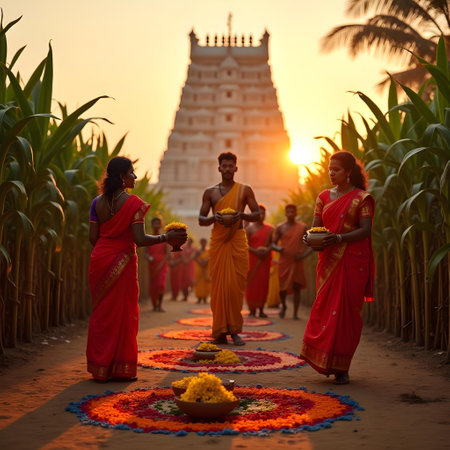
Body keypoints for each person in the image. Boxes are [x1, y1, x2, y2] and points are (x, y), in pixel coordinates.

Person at [87, 156, 187, 382]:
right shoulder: (133, 204)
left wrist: (106, 250)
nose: (135, 177)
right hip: (122, 261)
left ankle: (100, 367)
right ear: (122, 177)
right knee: (123, 313)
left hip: (100, 260)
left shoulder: (97, 203)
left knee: (102, 314)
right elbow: (140, 239)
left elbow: (93, 237)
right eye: (132, 173)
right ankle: (120, 368)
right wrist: (166, 237)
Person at [300, 151, 375, 385]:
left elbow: (365, 230)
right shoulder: (323, 197)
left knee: (347, 315)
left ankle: (342, 368)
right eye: (330, 169)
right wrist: (308, 239)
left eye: (337, 169)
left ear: (349, 172)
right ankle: (325, 361)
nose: (331, 173)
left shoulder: (362, 198)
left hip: (353, 261)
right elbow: (315, 229)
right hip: (328, 261)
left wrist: (339, 238)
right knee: (325, 310)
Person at [198, 152, 260, 345]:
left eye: (230, 166)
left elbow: (257, 213)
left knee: (235, 288)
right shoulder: (210, 192)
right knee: (218, 287)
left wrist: (240, 215)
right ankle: (219, 332)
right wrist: (214, 218)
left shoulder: (245, 190)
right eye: (224, 166)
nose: (227, 169)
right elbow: (201, 220)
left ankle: (234, 331)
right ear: (219, 168)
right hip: (218, 242)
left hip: (237, 241)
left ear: (236, 168)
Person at [272, 204, 311, 320]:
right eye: (288, 211)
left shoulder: (303, 227)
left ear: (296, 213)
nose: (290, 213)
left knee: (297, 286)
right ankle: (283, 306)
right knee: (282, 288)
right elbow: (273, 244)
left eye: (292, 211)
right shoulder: (280, 227)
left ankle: (295, 313)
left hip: (297, 261)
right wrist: (278, 248)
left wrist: (303, 255)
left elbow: (311, 243)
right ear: (285, 213)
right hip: (284, 262)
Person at [245, 204, 274, 318]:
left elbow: (273, 244)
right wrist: (256, 252)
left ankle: (261, 309)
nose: (261, 216)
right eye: (259, 213)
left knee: (263, 284)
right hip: (252, 259)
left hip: (264, 260)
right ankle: (252, 309)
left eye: (263, 213)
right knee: (251, 284)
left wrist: (266, 251)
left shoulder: (270, 229)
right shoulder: (249, 229)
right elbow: (245, 245)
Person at [144, 217, 169, 312]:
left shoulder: (164, 238)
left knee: (160, 284)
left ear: (160, 225)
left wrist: (162, 262)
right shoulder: (148, 238)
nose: (156, 225)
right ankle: (154, 305)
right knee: (153, 286)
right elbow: (145, 253)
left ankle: (160, 305)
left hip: (162, 265)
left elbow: (167, 253)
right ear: (152, 225)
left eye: (158, 223)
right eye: (154, 223)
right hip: (152, 265)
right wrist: (149, 258)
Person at [194, 238, 211, 304]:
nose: (203, 244)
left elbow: (211, 257)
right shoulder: (198, 251)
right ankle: (199, 298)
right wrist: (200, 262)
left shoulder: (208, 251)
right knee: (198, 282)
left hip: (206, 268)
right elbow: (194, 257)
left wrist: (206, 260)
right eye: (202, 242)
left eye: (204, 242)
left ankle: (205, 298)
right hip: (199, 268)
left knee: (205, 283)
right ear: (200, 243)